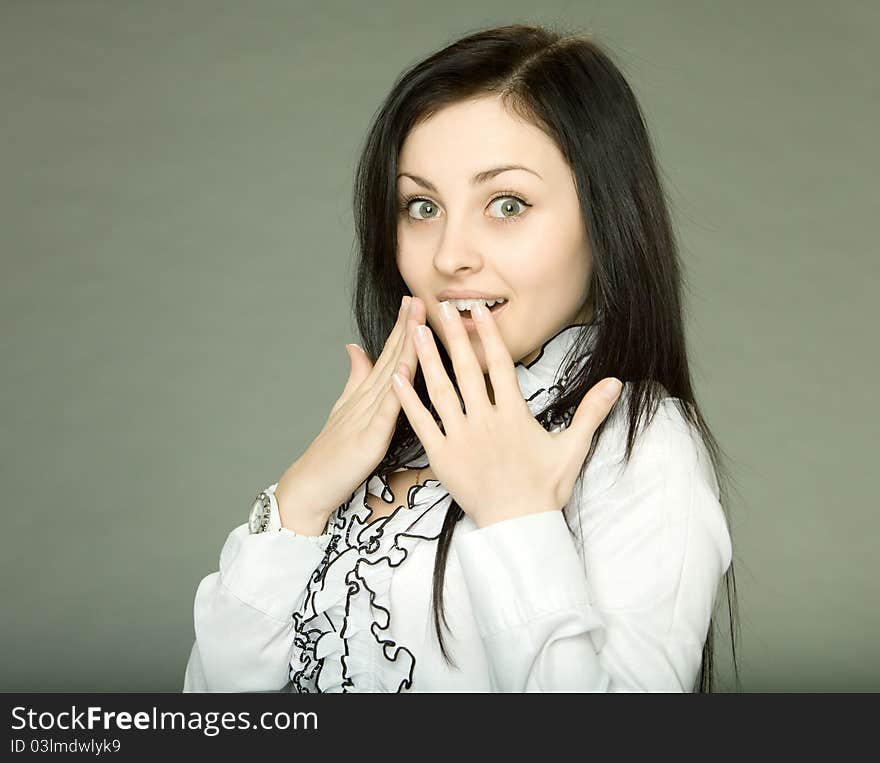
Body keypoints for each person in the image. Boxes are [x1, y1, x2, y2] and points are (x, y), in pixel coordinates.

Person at [183, 23, 740, 693]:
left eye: (507, 204)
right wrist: (300, 497)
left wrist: (515, 519)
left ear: (605, 220)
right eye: (422, 206)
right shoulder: (395, 431)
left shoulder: (641, 446)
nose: (449, 256)